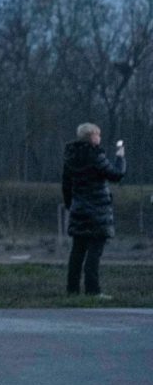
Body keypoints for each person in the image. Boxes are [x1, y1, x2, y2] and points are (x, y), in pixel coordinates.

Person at [62, 122, 126, 299]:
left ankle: (72, 289)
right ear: (91, 137)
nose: (100, 137)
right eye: (97, 134)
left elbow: (66, 184)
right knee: (94, 251)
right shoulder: (96, 156)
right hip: (97, 211)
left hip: (78, 209)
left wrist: (70, 205)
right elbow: (116, 175)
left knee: (77, 251)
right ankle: (93, 290)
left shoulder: (71, 157)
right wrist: (120, 157)